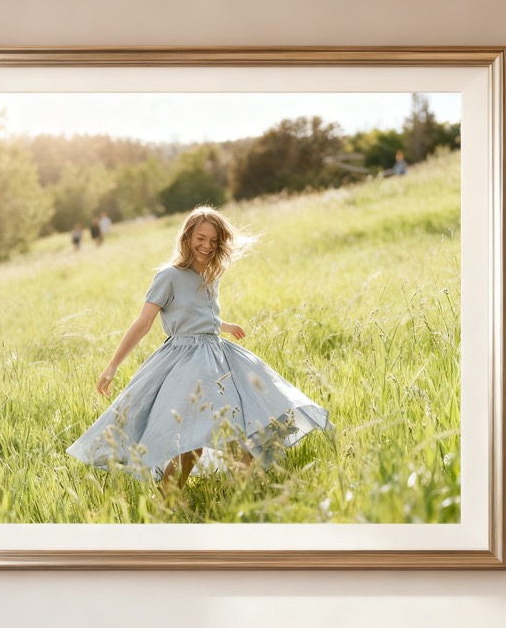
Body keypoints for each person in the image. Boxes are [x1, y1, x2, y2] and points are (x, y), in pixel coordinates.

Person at [67, 206, 331, 487]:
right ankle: (168, 502)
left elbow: (200, 316)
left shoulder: (211, 275)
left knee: (243, 431)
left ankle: (240, 496)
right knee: (193, 440)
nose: (207, 246)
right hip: (187, 361)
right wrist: (112, 365)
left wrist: (224, 326)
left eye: (214, 241)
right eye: (201, 238)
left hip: (218, 356)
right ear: (187, 237)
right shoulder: (168, 276)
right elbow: (143, 323)